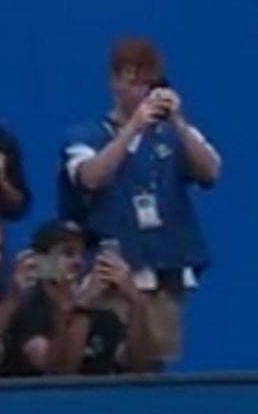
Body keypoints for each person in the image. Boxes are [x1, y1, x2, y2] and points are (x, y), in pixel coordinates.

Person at [62, 37, 222, 367]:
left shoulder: (175, 134)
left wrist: (177, 121)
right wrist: (133, 127)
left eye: (148, 84)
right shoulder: (84, 135)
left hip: (165, 274)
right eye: (132, 82)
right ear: (115, 82)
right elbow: (91, 177)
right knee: (104, 361)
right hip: (109, 275)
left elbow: (210, 174)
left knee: (153, 365)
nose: (140, 92)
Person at [0, 222, 158, 375]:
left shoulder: (103, 315)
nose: (79, 262)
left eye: (83, 255)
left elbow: (139, 366)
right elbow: (58, 372)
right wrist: (82, 308)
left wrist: (135, 301)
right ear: (40, 261)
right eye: (68, 253)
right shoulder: (27, 311)